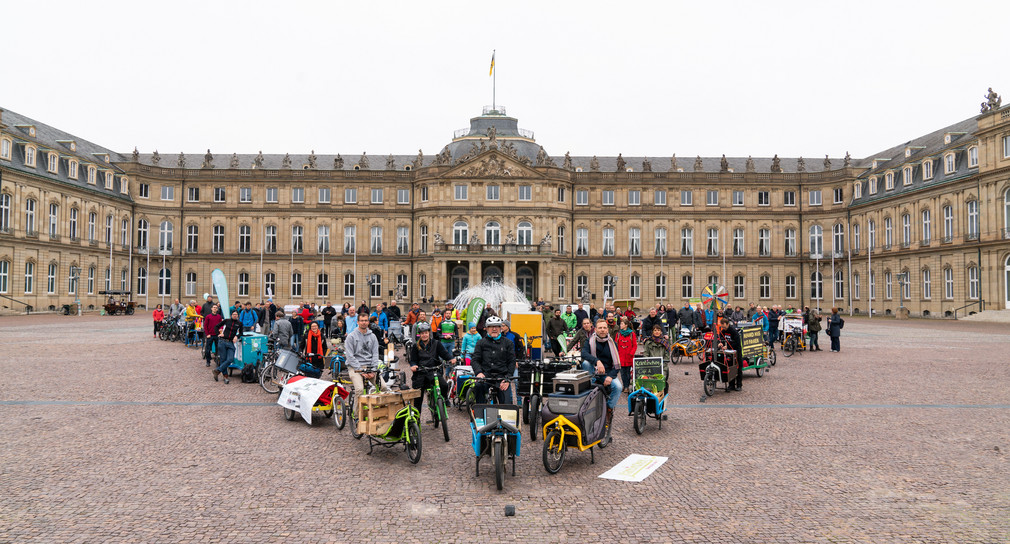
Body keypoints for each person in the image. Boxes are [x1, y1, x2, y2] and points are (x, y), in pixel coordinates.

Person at [580, 319, 622, 434]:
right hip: (594, 371)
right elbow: (584, 353)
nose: (602, 330)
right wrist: (597, 361)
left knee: (618, 387)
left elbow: (618, 365)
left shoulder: (613, 344)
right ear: (596, 329)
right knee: (585, 363)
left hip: (607, 373)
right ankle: (591, 385)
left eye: (604, 328)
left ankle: (608, 409)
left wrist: (611, 376)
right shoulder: (590, 340)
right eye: (600, 328)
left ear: (607, 329)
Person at [408, 322, 455, 412]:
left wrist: (451, 359)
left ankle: (445, 398)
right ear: (420, 334)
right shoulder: (415, 346)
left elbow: (444, 354)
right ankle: (417, 419)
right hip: (421, 372)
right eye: (422, 333)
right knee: (418, 397)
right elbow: (413, 360)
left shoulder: (436, 343)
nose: (424, 335)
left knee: (444, 385)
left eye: (426, 333)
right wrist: (413, 365)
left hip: (434, 371)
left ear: (429, 333)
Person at [469, 316, 515, 405]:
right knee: (478, 388)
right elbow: (475, 360)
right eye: (491, 326)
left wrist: (507, 378)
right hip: (485, 376)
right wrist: (479, 372)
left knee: (506, 403)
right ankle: (480, 415)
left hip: (502, 376)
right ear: (486, 328)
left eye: (497, 326)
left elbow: (511, 361)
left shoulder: (508, 343)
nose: (494, 329)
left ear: (500, 328)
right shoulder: (481, 343)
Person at [345, 313, 386, 405]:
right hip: (355, 367)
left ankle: (380, 412)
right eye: (362, 321)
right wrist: (360, 370)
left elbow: (375, 354)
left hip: (369, 367)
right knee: (359, 390)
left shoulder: (373, 336)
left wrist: (373, 370)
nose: (364, 323)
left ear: (368, 322)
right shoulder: (351, 337)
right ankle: (356, 416)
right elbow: (350, 356)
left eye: (366, 320)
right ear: (358, 322)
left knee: (383, 387)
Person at [214, 310, 242, 384]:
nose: (235, 315)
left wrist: (237, 336)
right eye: (233, 314)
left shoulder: (239, 323)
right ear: (231, 315)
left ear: (238, 315)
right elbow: (216, 327)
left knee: (230, 359)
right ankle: (225, 376)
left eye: (236, 314)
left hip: (230, 343)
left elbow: (241, 332)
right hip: (222, 341)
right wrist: (218, 334)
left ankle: (217, 370)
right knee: (223, 359)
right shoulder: (227, 321)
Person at [615, 317, 637, 393]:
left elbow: (635, 345)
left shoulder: (632, 334)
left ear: (626, 325)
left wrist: (631, 353)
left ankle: (627, 386)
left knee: (628, 373)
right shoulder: (618, 334)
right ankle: (625, 385)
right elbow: (615, 345)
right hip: (620, 357)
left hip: (629, 357)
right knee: (622, 373)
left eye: (621, 324)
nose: (620, 325)